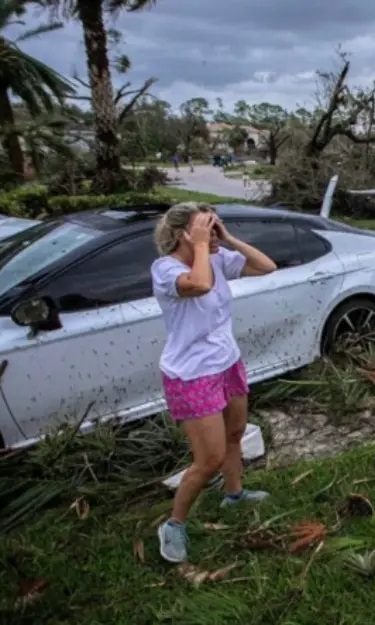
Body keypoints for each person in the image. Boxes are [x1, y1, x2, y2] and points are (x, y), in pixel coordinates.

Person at [151, 202, 278, 563]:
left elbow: (266, 266)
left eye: (212, 224)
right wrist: (204, 246)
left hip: (227, 362)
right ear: (181, 235)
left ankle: (234, 494)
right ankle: (173, 525)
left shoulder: (218, 258)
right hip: (191, 374)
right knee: (209, 459)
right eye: (203, 226)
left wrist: (227, 237)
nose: (211, 231)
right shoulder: (165, 269)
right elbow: (200, 284)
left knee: (235, 435)